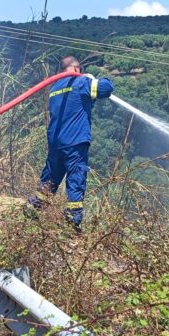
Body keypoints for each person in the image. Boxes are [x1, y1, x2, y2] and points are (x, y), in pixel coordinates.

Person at [30, 56, 114, 228]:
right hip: (75, 141)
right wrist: (92, 78)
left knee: (51, 178)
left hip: (56, 143)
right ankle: (72, 220)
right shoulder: (81, 82)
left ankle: (35, 212)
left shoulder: (55, 88)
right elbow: (107, 87)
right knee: (76, 177)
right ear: (77, 68)